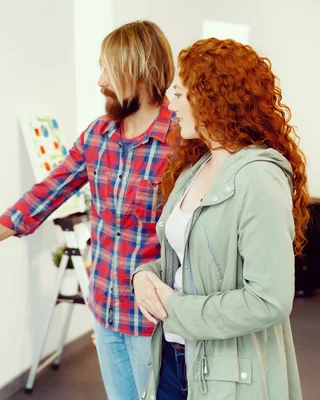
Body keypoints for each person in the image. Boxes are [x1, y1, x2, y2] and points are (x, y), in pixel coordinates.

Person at [0, 20, 175, 399]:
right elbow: (42, 197)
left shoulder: (181, 142)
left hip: (156, 323)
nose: (100, 81)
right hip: (108, 314)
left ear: (134, 71)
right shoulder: (99, 136)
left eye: (106, 69)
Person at [132, 37, 309, 399]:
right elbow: (190, 263)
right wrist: (144, 278)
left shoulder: (258, 178)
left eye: (180, 94)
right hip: (172, 359)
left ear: (211, 96)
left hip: (226, 375)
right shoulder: (194, 170)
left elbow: (269, 300)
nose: (170, 104)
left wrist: (174, 308)